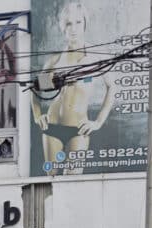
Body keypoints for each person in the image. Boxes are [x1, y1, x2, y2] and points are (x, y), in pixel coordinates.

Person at [31, 2, 115, 175]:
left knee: (73, 181)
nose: (73, 29)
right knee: (52, 179)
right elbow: (36, 89)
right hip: (52, 127)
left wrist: (98, 122)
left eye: (78, 22)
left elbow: (112, 87)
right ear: (63, 27)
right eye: (69, 23)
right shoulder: (55, 61)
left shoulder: (95, 57)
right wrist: (37, 116)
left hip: (78, 129)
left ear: (85, 23)